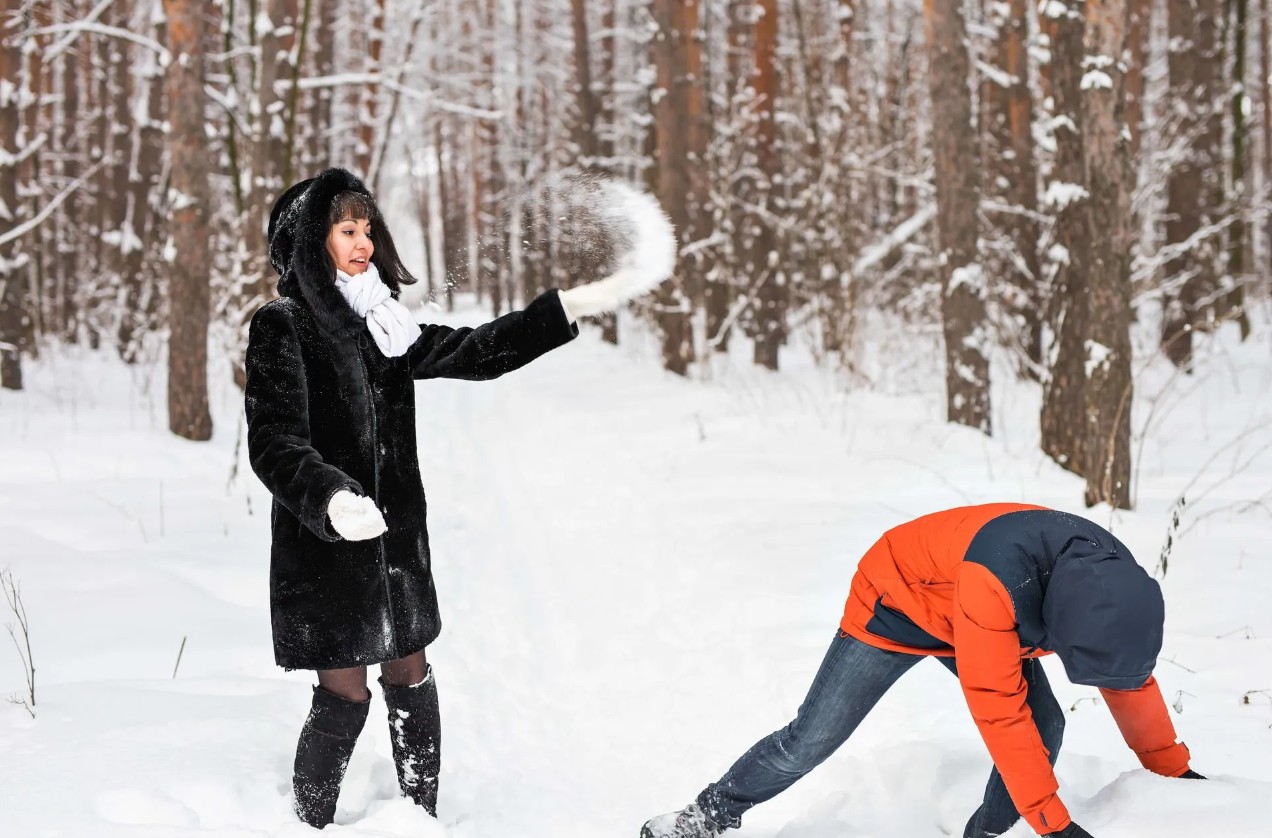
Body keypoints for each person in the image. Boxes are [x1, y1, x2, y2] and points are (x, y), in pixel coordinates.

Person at [246, 167, 666, 828]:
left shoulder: (379, 322)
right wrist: (329, 499)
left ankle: (420, 814)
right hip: (325, 546)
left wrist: (560, 313)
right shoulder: (282, 326)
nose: (363, 242)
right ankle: (307, 820)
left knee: (409, 672)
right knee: (345, 692)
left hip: (394, 544)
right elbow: (274, 442)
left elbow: (473, 351)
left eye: (367, 228)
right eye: (346, 229)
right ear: (307, 240)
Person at [642, 503, 1205, 838]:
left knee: (1047, 724)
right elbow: (999, 714)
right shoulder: (1001, 584)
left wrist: (1170, 769)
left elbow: (1128, 677)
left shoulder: (1109, 584)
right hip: (898, 600)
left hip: (977, 602)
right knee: (810, 739)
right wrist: (1053, 823)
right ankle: (708, 814)